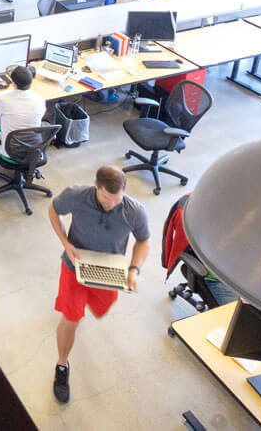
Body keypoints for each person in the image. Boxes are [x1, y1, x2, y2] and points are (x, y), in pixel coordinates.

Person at [47, 166, 150, 404]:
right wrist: (65, 243)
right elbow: (53, 210)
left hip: (108, 270)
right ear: (96, 186)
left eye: (117, 199)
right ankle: (62, 364)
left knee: (100, 309)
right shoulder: (75, 195)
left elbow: (144, 241)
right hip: (75, 265)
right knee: (71, 317)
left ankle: (73, 316)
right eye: (106, 198)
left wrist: (134, 269)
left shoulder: (134, 211)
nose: (111, 204)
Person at [0, 64, 46, 159]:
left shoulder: (3, 99)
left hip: (10, 152)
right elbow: (39, 118)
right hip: (33, 151)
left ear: (13, 83)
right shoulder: (40, 99)